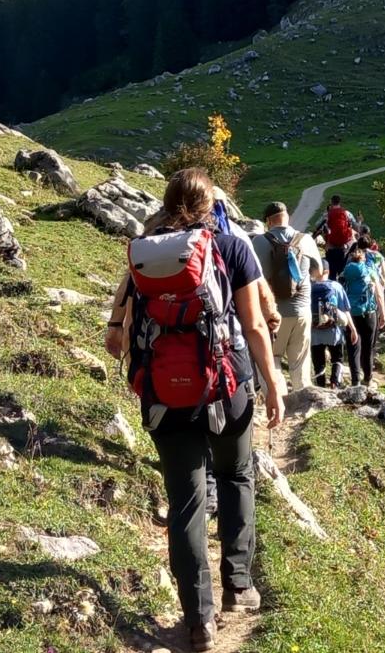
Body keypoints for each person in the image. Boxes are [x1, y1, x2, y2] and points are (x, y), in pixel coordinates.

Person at [104, 168, 284, 652]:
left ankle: (199, 620)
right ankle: (239, 586)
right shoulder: (231, 247)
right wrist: (272, 382)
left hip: (163, 395)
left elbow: (117, 330)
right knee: (236, 475)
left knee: (185, 502)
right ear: (211, 207)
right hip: (226, 389)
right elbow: (254, 326)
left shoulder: (143, 253)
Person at [252, 201, 317, 392]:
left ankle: (279, 405)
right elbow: (319, 272)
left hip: (273, 314)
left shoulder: (259, 242)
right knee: (300, 362)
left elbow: (253, 278)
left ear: (268, 222)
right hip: (302, 310)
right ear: (287, 217)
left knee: (273, 359)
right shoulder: (306, 240)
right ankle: (304, 407)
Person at [337, 243, 385, 387]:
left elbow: (340, 292)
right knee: (368, 347)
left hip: (350, 314)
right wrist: (383, 315)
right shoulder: (370, 271)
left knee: (353, 347)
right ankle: (368, 378)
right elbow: (379, 294)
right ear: (364, 259)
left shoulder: (345, 272)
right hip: (368, 313)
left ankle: (355, 381)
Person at [307, 255, 355, 386]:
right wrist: (353, 329)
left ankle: (320, 385)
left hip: (314, 331)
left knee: (318, 361)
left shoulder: (308, 287)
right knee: (337, 358)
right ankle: (335, 383)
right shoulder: (336, 286)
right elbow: (345, 310)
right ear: (327, 271)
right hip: (334, 332)